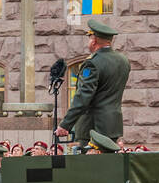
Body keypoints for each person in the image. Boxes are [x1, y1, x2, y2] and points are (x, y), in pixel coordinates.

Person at [55, 18, 130, 147]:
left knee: (91, 166)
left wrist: (65, 124)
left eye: (90, 38)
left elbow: (83, 96)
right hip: (113, 127)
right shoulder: (123, 61)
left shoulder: (92, 63)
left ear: (94, 41)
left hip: (94, 128)